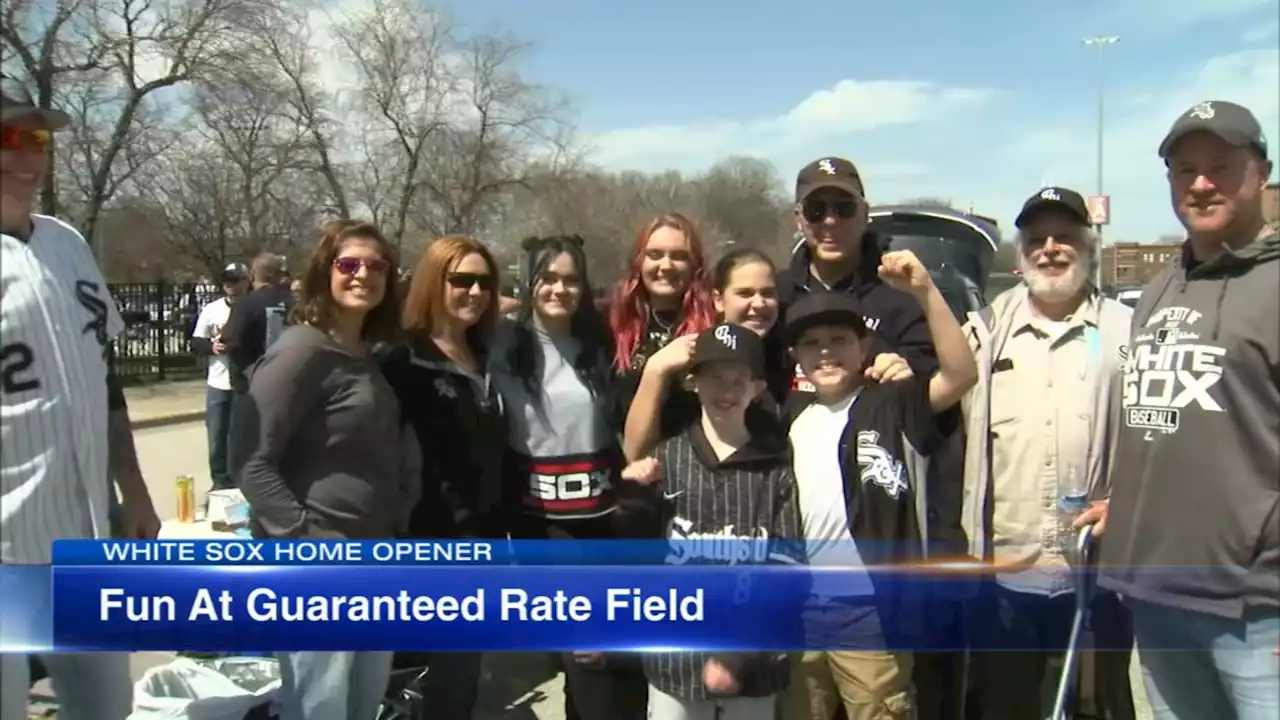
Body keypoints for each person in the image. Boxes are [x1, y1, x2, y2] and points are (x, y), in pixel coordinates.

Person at [1082, 100, 1279, 720]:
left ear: (1261, 172)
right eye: (1184, 170)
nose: (1200, 184)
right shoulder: (1164, 284)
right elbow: (1172, 418)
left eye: (1220, 166)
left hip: (1256, 609)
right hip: (1156, 592)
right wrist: (1130, 502)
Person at [0, 73, 160, 720]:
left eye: (36, 136)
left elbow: (105, 372)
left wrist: (136, 488)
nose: (29, 155)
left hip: (87, 540)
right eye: (8, 136)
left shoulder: (66, 241)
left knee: (106, 708)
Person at [959, 187, 1136, 719]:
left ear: (1087, 249)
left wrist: (1125, 503)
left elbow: (1156, 437)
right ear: (1020, 256)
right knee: (1007, 706)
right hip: (1007, 574)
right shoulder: (985, 332)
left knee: (1100, 705)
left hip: (1097, 574)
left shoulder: (1127, 330)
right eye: (1037, 240)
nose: (1051, 249)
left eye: (1065, 238)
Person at [779, 251, 978, 720]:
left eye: (838, 339)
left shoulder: (892, 402)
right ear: (795, 356)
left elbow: (961, 375)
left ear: (864, 344)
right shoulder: (789, 418)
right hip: (802, 612)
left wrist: (926, 290)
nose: (826, 351)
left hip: (871, 614)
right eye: (811, 343)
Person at [238, 219, 419, 720]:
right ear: (326, 272)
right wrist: (303, 536)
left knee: (360, 706)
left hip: (376, 557)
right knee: (317, 708)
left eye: (376, 265)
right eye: (349, 264)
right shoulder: (300, 350)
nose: (363, 274)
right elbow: (250, 461)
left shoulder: (366, 355)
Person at [490, 235, 647, 720]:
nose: (560, 289)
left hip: (607, 519)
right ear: (529, 282)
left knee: (613, 659)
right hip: (545, 526)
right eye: (549, 278)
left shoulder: (598, 341)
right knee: (586, 651)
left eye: (571, 279)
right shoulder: (500, 342)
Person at [622, 323, 800, 720]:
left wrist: (738, 653)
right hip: (675, 662)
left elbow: (788, 569)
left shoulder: (776, 465)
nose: (726, 390)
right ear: (693, 383)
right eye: (715, 378)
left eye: (739, 379)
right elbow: (638, 558)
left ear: (757, 388)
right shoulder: (666, 458)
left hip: (756, 663)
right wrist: (632, 500)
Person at [378, 235, 510, 719]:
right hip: (424, 547)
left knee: (460, 685)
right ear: (435, 282)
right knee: (415, 691)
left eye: (485, 283)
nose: (475, 292)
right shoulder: (401, 361)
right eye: (462, 280)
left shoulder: (488, 357)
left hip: (483, 546)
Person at [611, 213, 716, 456]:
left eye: (679, 256)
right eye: (655, 255)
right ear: (639, 261)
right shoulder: (612, 319)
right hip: (635, 472)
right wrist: (657, 367)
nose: (666, 266)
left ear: (695, 265)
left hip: (697, 470)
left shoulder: (715, 322)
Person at [223, 251, 294, 483]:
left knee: (248, 450)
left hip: (252, 387)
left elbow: (231, 340)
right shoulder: (295, 303)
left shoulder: (247, 304)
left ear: (254, 275)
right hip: (292, 383)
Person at [190, 262, 251, 490]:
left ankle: (239, 483)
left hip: (245, 381)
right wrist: (212, 347)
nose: (231, 287)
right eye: (227, 282)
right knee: (217, 436)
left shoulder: (252, 309)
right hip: (218, 380)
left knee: (239, 437)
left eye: (236, 281)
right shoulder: (212, 309)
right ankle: (219, 482)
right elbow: (196, 341)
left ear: (247, 281)